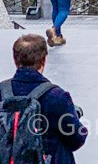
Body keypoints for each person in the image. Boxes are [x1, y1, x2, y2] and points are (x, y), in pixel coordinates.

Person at [4, 34, 88, 164]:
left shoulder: (2, 91)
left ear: (15, 60)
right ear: (43, 60)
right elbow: (76, 139)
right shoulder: (56, 96)